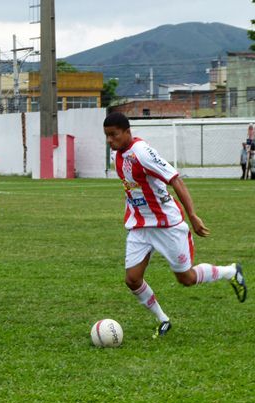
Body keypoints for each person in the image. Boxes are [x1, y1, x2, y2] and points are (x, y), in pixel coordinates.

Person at [103, 112, 247, 338]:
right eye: (107, 136)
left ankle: (230, 272)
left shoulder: (143, 152)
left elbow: (175, 179)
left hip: (167, 225)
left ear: (128, 132)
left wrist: (193, 215)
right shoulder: (117, 156)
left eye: (114, 135)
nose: (110, 140)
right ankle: (163, 319)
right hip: (140, 226)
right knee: (132, 279)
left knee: (186, 279)